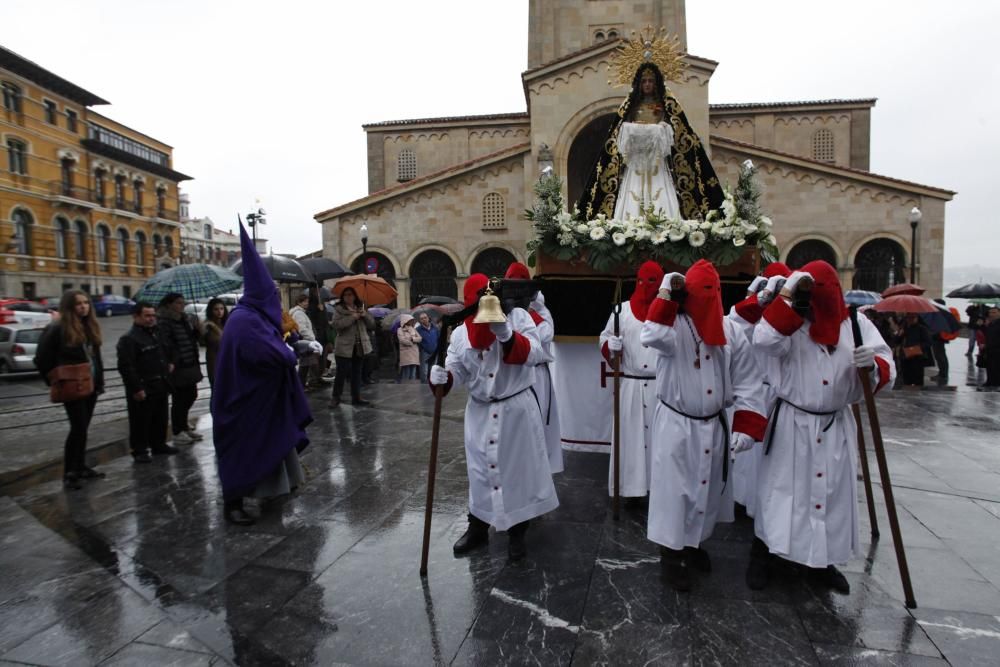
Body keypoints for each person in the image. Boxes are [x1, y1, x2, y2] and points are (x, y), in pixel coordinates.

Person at [748, 260, 895, 594]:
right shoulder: (790, 323)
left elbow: (888, 367)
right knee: (782, 494)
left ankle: (821, 563)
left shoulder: (857, 324)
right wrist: (786, 296)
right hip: (792, 422)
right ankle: (765, 554)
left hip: (835, 423)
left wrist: (872, 366)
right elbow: (764, 340)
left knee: (831, 496)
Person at [639, 260, 766, 591]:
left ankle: (694, 546)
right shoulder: (674, 327)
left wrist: (747, 425)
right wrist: (666, 292)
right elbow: (650, 334)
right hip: (677, 423)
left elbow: (749, 380)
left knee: (706, 490)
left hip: (713, 424)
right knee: (675, 493)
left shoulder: (731, 330)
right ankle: (670, 556)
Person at [429, 273, 558, 561]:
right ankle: (478, 527)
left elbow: (537, 353)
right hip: (480, 412)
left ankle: (517, 533)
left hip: (516, 409)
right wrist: (442, 377)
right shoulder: (461, 333)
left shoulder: (520, 318)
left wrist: (507, 334)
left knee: (517, 473)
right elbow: (456, 369)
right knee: (480, 472)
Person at [211, 223, 313, 525]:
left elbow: (275, 341)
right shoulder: (245, 320)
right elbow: (270, 352)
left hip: (258, 400)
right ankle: (233, 505)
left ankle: (269, 490)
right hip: (241, 403)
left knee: (263, 447)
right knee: (242, 453)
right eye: (272, 293)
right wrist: (292, 352)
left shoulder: (252, 316)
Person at [577, 58, 723, 222]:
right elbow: (619, 132)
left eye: (651, 81)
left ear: (657, 83)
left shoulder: (667, 104)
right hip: (637, 163)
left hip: (657, 162)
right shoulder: (630, 106)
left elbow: (675, 130)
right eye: (644, 81)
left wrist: (661, 129)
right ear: (638, 84)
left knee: (659, 191)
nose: (647, 84)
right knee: (634, 193)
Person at [727, 262, 791, 518]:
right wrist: (758, 300)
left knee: (774, 457)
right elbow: (736, 326)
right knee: (748, 457)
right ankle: (744, 499)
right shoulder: (751, 310)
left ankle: (767, 504)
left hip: (781, 394)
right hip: (755, 389)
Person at [599, 260, 664, 505]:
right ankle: (631, 490)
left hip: (660, 387)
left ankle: (659, 490)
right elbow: (605, 337)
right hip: (631, 386)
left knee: (658, 441)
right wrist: (609, 346)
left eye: (652, 281)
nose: (645, 286)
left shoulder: (668, 311)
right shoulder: (621, 311)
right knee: (631, 440)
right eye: (641, 280)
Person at [34, 289, 105, 489]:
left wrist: (99, 383)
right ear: (69, 307)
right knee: (78, 428)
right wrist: (56, 380)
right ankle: (70, 472)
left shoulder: (89, 326)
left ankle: (80, 466)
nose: (83, 306)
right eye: (78, 303)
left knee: (83, 428)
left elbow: (95, 358)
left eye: (86, 303)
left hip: (90, 384)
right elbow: (42, 359)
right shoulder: (58, 328)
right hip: (72, 385)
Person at [505, 261, 562, 474]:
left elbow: (546, 334)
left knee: (539, 420)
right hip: (513, 373)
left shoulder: (539, 310)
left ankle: (540, 466)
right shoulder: (503, 309)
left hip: (537, 372)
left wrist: (535, 309)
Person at [117, 302, 178, 463]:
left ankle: (158, 444)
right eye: (147, 316)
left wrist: (170, 362)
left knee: (160, 417)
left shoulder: (157, 333)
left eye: (153, 315)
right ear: (136, 317)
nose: (151, 319)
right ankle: (140, 450)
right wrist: (136, 388)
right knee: (141, 420)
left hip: (160, 382)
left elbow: (167, 350)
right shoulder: (129, 339)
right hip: (144, 385)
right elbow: (126, 367)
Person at [157, 293, 204, 444]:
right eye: (178, 303)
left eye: (183, 302)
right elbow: (165, 343)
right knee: (180, 399)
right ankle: (177, 431)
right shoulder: (164, 321)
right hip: (178, 366)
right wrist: (173, 359)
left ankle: (184, 426)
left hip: (190, 362)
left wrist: (196, 331)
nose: (182, 305)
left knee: (191, 395)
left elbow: (190, 339)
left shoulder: (184, 319)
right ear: (169, 304)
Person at [329, 287, 375, 407]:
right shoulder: (339, 310)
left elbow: (372, 324)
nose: (348, 297)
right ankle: (336, 397)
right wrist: (352, 317)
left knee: (357, 373)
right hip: (344, 347)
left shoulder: (361, 308)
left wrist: (365, 315)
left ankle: (356, 397)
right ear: (343, 297)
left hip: (360, 346)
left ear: (355, 296)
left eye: (350, 294)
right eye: (346, 295)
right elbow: (336, 325)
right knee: (341, 373)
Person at [290, 292, 320, 390]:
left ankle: (301, 384)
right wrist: (312, 339)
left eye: (307, 301)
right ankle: (301, 385)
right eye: (305, 301)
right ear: (299, 302)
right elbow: (302, 329)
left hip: (305, 341)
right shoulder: (299, 313)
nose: (307, 303)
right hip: (306, 341)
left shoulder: (300, 312)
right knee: (305, 364)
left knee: (305, 364)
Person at [896, 313, 932, 387]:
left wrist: (916, 348)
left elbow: (928, 343)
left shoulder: (922, 329)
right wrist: (899, 335)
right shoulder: (904, 328)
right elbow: (896, 341)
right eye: (908, 318)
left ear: (917, 318)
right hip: (905, 357)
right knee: (906, 379)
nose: (910, 320)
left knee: (917, 379)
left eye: (913, 318)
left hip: (917, 358)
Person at [202, 298, 227, 391]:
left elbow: (226, 340)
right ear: (211, 310)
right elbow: (201, 340)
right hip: (214, 362)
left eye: (221, 308)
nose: (219, 312)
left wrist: (214, 326)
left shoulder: (227, 323)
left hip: (227, 361)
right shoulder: (207, 325)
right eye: (216, 309)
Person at [396, 314, 422, 381]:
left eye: (412, 320)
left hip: (414, 353)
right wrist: (412, 341)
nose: (411, 322)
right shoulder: (400, 330)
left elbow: (420, 338)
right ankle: (405, 388)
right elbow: (402, 340)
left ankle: (412, 388)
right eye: (410, 320)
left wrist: (413, 339)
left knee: (413, 373)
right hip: (406, 354)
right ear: (405, 321)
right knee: (406, 373)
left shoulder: (413, 329)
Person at [415, 311, 439, 380]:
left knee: (433, 369)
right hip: (424, 352)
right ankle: (423, 386)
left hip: (434, 351)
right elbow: (417, 341)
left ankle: (432, 384)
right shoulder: (418, 329)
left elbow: (438, 338)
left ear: (428, 318)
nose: (424, 319)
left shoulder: (435, 327)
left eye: (425, 318)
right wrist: (422, 348)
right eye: (422, 319)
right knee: (424, 371)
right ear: (420, 320)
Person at [983, 306, 1000, 387]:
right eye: (990, 312)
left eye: (994, 312)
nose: (991, 314)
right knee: (989, 366)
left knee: (996, 367)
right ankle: (989, 381)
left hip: (997, 349)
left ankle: (996, 383)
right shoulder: (990, 324)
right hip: (990, 348)